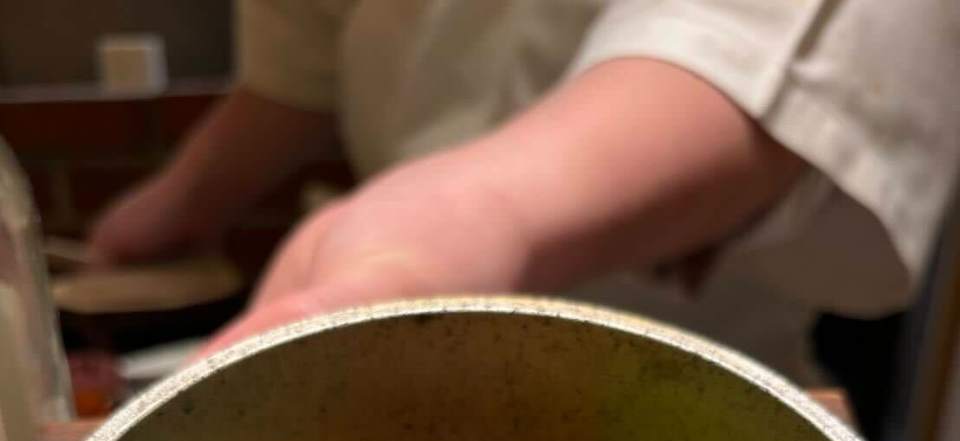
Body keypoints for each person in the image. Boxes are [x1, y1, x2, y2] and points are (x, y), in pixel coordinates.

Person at [89, 1, 960, 381]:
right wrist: (177, 203)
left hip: (700, 376)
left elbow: (750, 46)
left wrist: (466, 218)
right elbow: (304, 53)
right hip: (389, 336)